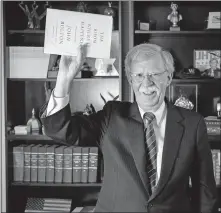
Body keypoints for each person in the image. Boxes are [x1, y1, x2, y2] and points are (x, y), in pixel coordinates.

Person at [40, 43, 217, 212]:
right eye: (139, 75)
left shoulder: (193, 123)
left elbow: (205, 190)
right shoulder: (112, 116)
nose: (146, 83)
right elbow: (61, 130)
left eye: (154, 74)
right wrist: (64, 78)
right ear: (130, 80)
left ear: (168, 78)